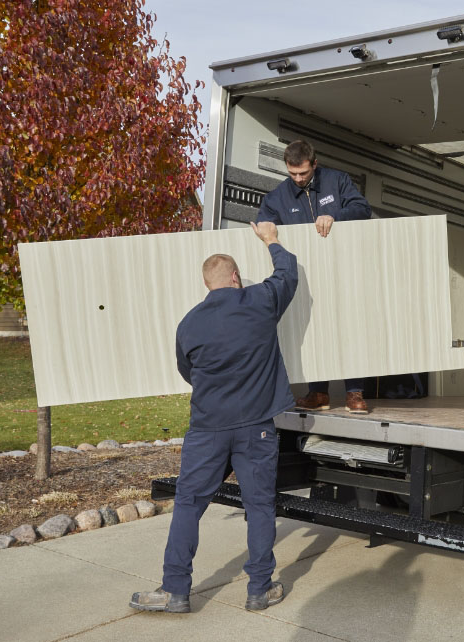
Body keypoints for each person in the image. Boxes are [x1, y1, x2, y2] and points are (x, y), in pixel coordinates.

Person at [130, 220, 296, 614]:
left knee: (188, 504)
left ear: (208, 284)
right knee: (258, 507)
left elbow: (187, 371)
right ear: (236, 277)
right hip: (255, 427)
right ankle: (259, 589)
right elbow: (288, 273)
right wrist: (271, 240)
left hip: (207, 429)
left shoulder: (189, 323)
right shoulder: (259, 300)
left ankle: (175, 591)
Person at [256, 139, 373, 414]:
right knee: (311, 330)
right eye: (292, 173)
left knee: (349, 327)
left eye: (304, 173)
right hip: (305, 277)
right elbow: (264, 224)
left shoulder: (338, 181)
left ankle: (355, 393)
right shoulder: (276, 198)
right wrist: (264, 226)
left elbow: (362, 209)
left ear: (315, 165)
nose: (298, 179)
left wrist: (334, 216)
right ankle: (318, 392)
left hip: (343, 271)